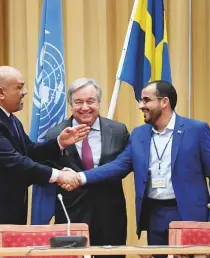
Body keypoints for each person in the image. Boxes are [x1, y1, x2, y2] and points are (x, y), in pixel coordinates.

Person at [61, 80, 210, 258]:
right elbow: (118, 165)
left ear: (164, 102)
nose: (141, 106)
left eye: (146, 100)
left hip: (189, 214)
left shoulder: (197, 130)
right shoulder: (139, 134)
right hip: (155, 215)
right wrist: (80, 177)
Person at [0, 66, 89, 248]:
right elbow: (16, 163)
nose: (25, 92)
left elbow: (29, 151)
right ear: (0, 92)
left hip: (4, 213)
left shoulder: (7, 118)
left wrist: (60, 143)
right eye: (19, 87)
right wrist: (59, 175)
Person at [45, 78, 128, 258]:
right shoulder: (55, 135)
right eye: (78, 102)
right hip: (71, 216)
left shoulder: (119, 131)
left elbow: (124, 166)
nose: (85, 107)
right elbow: (48, 172)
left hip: (111, 216)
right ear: (70, 104)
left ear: (99, 102)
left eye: (90, 101)